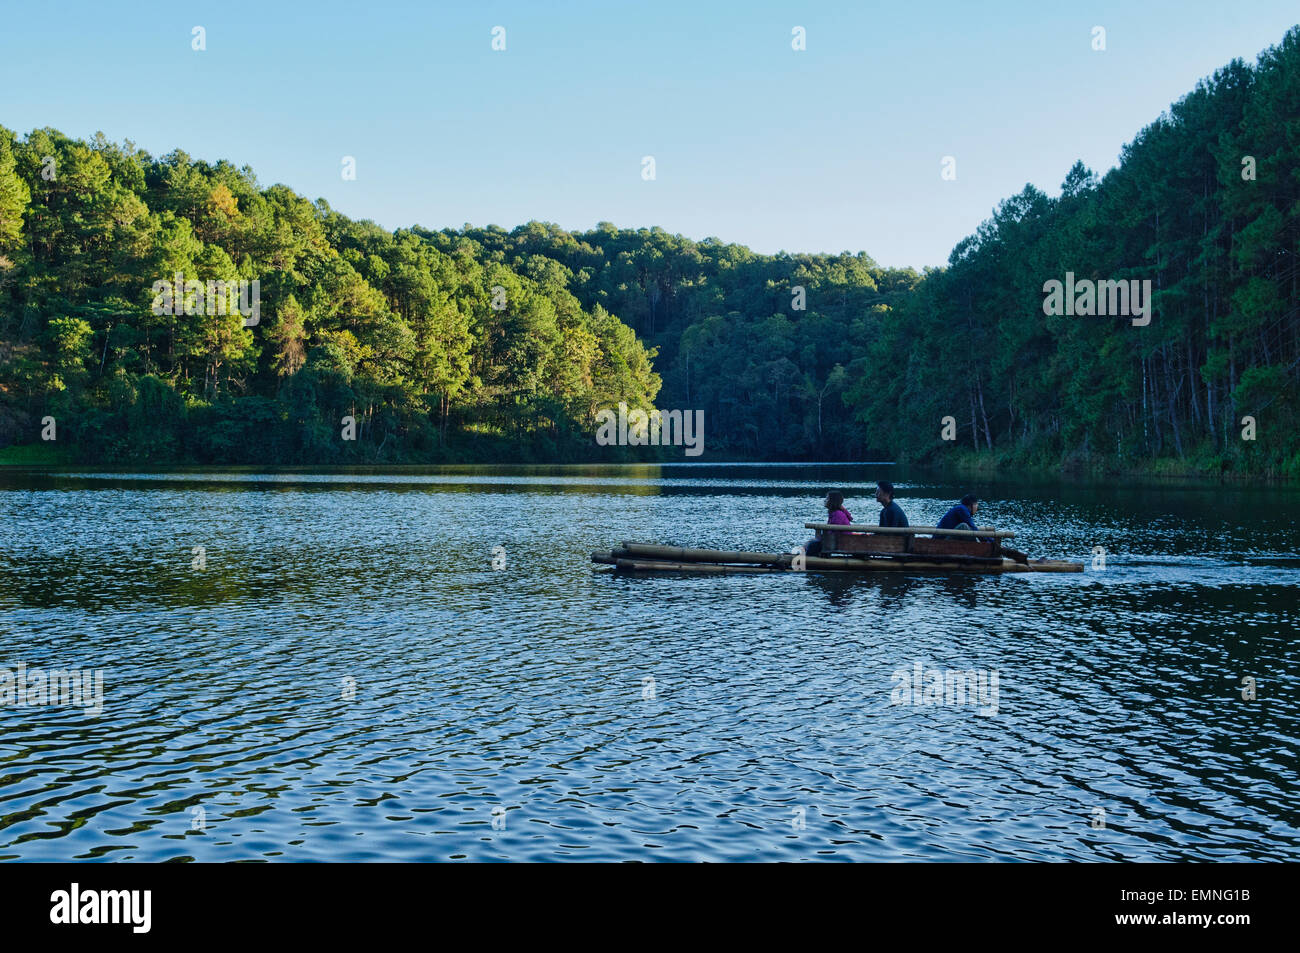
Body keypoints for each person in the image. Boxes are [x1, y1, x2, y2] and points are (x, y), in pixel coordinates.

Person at [802, 490, 852, 557]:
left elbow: (833, 532)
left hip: (839, 542)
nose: (825, 500)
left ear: (832, 501)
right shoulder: (834, 513)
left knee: (812, 545)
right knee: (811, 543)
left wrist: (820, 539)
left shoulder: (838, 514)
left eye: (827, 498)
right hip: (835, 541)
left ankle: (809, 562)